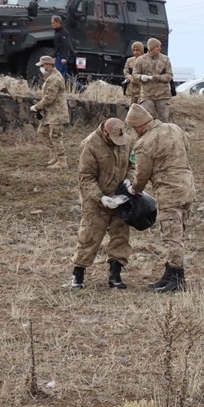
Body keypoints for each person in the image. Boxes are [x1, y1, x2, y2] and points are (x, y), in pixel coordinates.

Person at [126, 103, 195, 293]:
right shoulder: (174, 128)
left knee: (171, 236)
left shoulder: (145, 142)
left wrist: (134, 189)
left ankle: (178, 279)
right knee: (178, 232)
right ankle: (169, 273)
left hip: (169, 192)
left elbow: (142, 174)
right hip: (187, 187)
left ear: (138, 126)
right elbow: (186, 148)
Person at [68, 118, 135, 289]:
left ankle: (115, 276)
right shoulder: (90, 145)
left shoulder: (126, 141)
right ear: (105, 132)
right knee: (89, 237)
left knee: (121, 237)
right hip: (96, 201)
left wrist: (128, 182)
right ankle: (78, 276)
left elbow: (133, 165)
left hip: (121, 198)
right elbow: (85, 177)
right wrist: (101, 197)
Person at [29, 55, 70, 170]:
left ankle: (62, 161)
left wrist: (36, 107)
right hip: (50, 113)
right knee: (43, 132)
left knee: (55, 136)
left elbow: (49, 98)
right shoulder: (50, 77)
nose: (42, 68)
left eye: (43, 65)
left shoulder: (55, 78)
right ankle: (55, 156)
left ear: (49, 65)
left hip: (57, 114)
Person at [133, 38, 173, 123]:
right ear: (150, 48)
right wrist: (141, 77)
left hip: (163, 95)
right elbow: (135, 74)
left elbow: (169, 75)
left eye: (160, 46)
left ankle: (163, 135)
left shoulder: (165, 59)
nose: (159, 48)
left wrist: (159, 77)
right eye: (156, 46)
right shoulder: (140, 60)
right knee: (147, 120)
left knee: (163, 120)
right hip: (147, 94)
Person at [50, 15, 76, 87]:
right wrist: (54, 56)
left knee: (58, 73)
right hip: (58, 55)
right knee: (63, 74)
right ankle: (80, 87)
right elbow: (57, 46)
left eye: (53, 23)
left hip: (62, 56)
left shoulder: (64, 32)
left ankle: (79, 86)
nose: (52, 25)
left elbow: (66, 46)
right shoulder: (57, 32)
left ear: (58, 23)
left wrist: (64, 57)